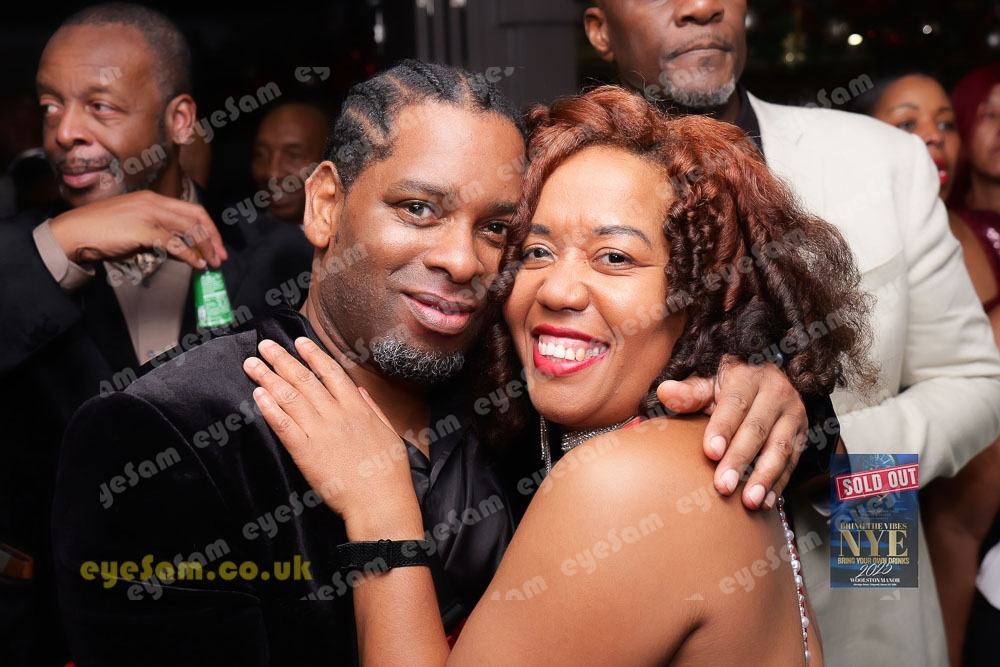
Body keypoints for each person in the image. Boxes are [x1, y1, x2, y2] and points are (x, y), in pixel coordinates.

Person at [55, 61, 814, 666]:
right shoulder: (165, 434)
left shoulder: (527, 393)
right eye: (418, 208)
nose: (460, 259)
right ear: (324, 205)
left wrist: (759, 377)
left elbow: (730, 498)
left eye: (497, 228)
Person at [244, 85, 879, 665]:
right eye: (536, 251)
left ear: (701, 293)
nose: (558, 289)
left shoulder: (622, 483)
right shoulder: (558, 427)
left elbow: (870, 479)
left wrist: (381, 512)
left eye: (615, 257)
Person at [581, 2, 1000, 666]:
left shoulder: (879, 161)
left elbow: (975, 381)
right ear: (600, 29)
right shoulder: (562, 187)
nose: (700, 6)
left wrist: (837, 448)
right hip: (649, 596)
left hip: (862, 553)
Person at [0, 4, 308, 665]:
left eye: (100, 106)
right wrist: (64, 241)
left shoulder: (279, 257)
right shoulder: (20, 257)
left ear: (180, 120)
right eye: (51, 107)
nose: (65, 131)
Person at [856, 72, 1000, 667]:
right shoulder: (854, 240)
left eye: (945, 123)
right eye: (907, 123)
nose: (933, 138)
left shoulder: (968, 231)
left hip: (969, 483)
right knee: (873, 627)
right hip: (872, 472)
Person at [250, 100, 330, 225]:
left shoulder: (352, 234)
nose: (273, 173)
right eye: (261, 155)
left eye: (294, 156)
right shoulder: (235, 232)